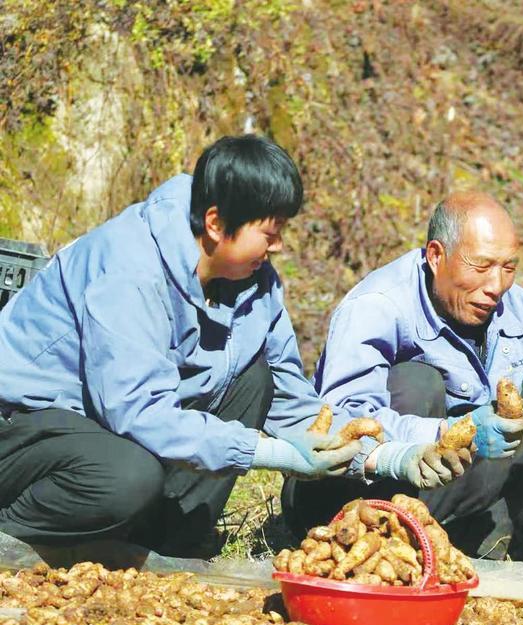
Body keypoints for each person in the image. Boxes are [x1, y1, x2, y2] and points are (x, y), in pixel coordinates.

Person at [0, 135, 365, 557]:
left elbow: (291, 399)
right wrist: (266, 451)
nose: (278, 246)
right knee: (124, 476)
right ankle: (15, 535)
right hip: (24, 424)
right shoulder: (130, 270)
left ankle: (164, 544)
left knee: (254, 377)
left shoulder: (256, 283)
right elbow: (137, 410)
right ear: (215, 224)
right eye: (270, 232)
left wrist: (385, 456)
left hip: (102, 428)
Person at [281, 192, 523, 557]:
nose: (496, 285)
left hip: (457, 500)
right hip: (351, 494)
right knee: (420, 382)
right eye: (481, 266)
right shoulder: (378, 305)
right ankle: (373, 539)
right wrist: (447, 435)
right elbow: (344, 420)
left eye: (509, 267)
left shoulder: (521, 312)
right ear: (436, 256)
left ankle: (487, 542)